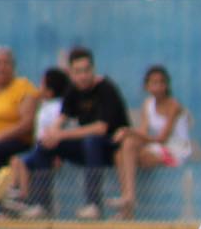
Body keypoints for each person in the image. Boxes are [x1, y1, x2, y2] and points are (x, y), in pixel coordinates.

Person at [8, 47, 129, 220]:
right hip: (87, 148)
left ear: (93, 69)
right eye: (78, 71)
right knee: (45, 144)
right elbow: (61, 119)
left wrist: (61, 135)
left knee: (91, 140)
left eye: (87, 70)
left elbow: (101, 128)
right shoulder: (73, 91)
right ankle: (42, 205)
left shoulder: (105, 88)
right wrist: (51, 135)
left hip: (111, 147)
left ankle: (93, 204)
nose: (83, 76)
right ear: (71, 73)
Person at [110, 64, 193, 220]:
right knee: (121, 153)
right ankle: (128, 200)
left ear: (166, 85)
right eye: (154, 83)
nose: (158, 87)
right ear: (147, 86)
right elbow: (143, 132)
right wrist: (130, 134)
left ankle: (129, 198)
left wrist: (129, 131)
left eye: (161, 82)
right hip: (157, 148)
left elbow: (162, 138)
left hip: (175, 151)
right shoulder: (148, 105)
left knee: (129, 144)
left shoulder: (173, 106)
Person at [0, 67, 66, 212]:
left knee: (23, 163)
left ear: (50, 91)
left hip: (48, 148)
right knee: (16, 161)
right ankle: (17, 191)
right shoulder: (45, 105)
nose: (38, 88)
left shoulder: (57, 107)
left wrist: (58, 153)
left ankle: (25, 196)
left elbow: (58, 130)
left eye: (42, 85)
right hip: (39, 147)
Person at [0, 45, 37, 183]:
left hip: (15, 140)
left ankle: (4, 198)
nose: (1, 67)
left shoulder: (23, 86)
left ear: (13, 66)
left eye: (6, 63)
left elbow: (27, 123)